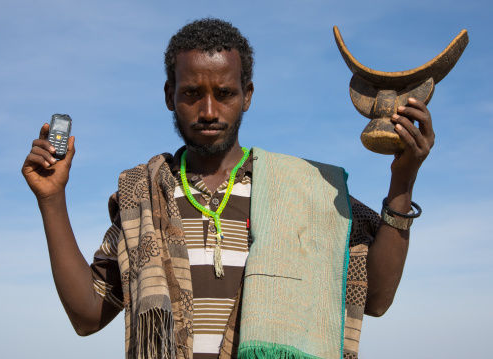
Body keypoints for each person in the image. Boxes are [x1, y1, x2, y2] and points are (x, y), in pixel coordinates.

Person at [22, 18, 435, 359]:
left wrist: (403, 181)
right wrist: (52, 199)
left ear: (247, 96)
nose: (208, 111)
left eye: (224, 94)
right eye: (191, 94)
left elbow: (377, 298)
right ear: (170, 95)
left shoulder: (305, 190)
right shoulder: (144, 197)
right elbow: (87, 315)